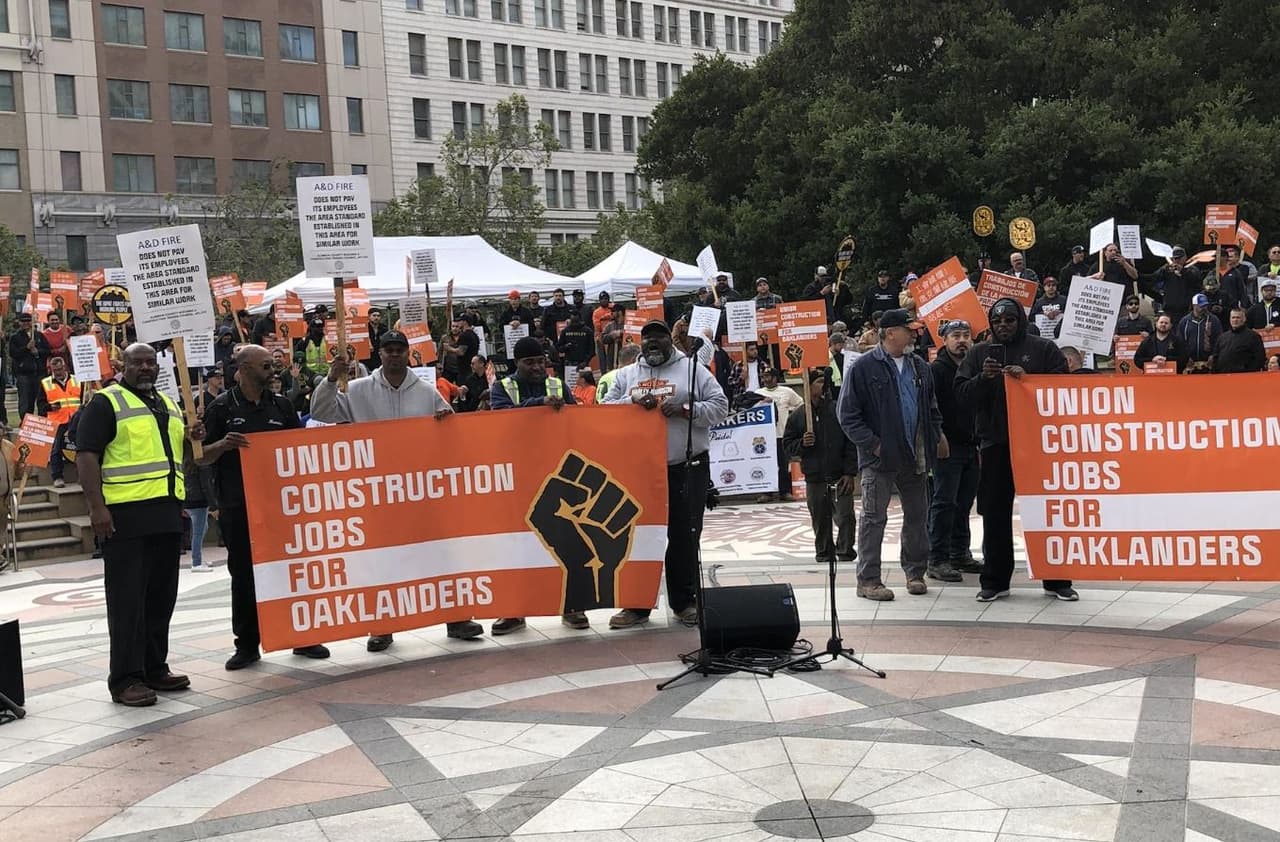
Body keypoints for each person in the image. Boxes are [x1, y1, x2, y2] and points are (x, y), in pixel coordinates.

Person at [309, 332, 482, 649]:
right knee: (381, 561)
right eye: (388, 350)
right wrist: (331, 378)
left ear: (408, 353)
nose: (393, 355)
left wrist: (446, 419)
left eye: (399, 350)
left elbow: (451, 432)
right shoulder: (358, 390)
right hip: (377, 493)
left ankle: (457, 618)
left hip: (422, 491)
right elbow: (322, 412)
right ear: (379, 353)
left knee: (440, 554)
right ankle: (382, 625)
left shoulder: (426, 392)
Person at [76, 343, 197, 706]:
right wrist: (97, 509)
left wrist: (198, 441)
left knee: (161, 599)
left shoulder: (171, 405)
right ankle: (125, 678)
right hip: (124, 519)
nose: (145, 368)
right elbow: (86, 456)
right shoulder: (106, 402)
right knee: (128, 601)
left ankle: (154, 667)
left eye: (150, 362)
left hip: (166, 513)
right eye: (137, 363)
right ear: (122, 366)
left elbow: (180, 459)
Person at [200, 345, 332, 669]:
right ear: (244, 368)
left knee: (292, 571)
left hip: (281, 506)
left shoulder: (283, 406)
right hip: (238, 506)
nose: (273, 370)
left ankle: (302, 636)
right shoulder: (220, 408)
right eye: (265, 366)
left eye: (273, 365)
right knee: (243, 575)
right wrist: (222, 444)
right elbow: (200, 456)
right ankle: (246, 645)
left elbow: (297, 452)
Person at [603, 320, 729, 628]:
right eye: (648, 339)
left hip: (687, 467)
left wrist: (686, 409)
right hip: (640, 470)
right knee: (636, 537)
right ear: (642, 344)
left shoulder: (692, 370)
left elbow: (721, 406)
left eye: (659, 337)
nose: (653, 343)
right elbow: (604, 410)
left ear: (669, 341)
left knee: (684, 537)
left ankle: (684, 602)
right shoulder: (627, 375)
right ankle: (636, 605)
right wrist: (632, 402)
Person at [955, 298, 1075, 603]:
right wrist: (985, 378)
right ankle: (995, 580)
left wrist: (1030, 379)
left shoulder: (1044, 349)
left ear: (1019, 321)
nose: (1004, 325)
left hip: (1038, 447)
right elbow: (961, 396)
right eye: (998, 321)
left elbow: (1064, 388)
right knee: (995, 514)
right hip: (995, 445)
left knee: (1047, 514)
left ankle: (1057, 580)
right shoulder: (979, 353)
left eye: (1010, 319)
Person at [839, 309, 946, 601]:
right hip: (879, 459)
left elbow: (932, 407)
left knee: (917, 515)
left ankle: (915, 572)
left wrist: (936, 435)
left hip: (915, 455)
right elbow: (847, 415)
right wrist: (873, 445)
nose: (914, 334)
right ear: (889, 333)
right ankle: (868, 580)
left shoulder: (921, 367)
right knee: (874, 518)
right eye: (907, 329)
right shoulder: (863, 367)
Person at [487, 336, 586, 634]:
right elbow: (500, 420)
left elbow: (576, 420)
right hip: (517, 475)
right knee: (516, 543)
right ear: (517, 363)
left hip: (557, 472)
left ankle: (573, 605)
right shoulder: (502, 387)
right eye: (530, 362)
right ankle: (515, 611)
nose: (537, 367)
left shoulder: (558, 385)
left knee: (567, 539)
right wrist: (537, 404)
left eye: (541, 361)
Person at [784, 369, 857, 567]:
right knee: (819, 517)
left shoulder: (838, 410)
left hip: (839, 474)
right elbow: (788, 445)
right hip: (815, 477)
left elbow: (851, 442)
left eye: (823, 382)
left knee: (845, 516)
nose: (821, 386)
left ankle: (845, 552)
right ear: (807, 387)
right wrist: (802, 444)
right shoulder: (799, 416)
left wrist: (850, 473)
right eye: (817, 382)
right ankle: (824, 553)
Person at [927, 320, 980, 580]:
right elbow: (928, 407)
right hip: (948, 445)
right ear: (945, 341)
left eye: (966, 335)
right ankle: (937, 558)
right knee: (944, 502)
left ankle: (960, 553)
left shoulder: (974, 366)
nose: (962, 340)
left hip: (973, 444)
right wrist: (938, 437)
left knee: (964, 503)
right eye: (956, 335)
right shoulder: (936, 370)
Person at [753, 367, 803, 503]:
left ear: (775, 378)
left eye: (768, 376)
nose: (766, 380)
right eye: (763, 377)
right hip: (764, 437)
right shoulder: (758, 393)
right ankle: (767, 493)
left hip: (782, 433)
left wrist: (791, 419)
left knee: (783, 464)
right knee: (766, 463)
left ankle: (785, 491)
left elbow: (800, 404)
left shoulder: (787, 392)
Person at [38, 356, 81, 488]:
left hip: (76, 419)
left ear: (65, 367)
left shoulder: (77, 380)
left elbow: (84, 398)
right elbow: (40, 405)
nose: (58, 372)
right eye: (54, 370)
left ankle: (82, 475)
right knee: (56, 450)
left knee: (81, 448)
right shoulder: (45, 383)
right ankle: (57, 477)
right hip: (57, 421)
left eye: (60, 369)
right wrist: (50, 407)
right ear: (51, 369)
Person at [1139, 245, 1200, 326]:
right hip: (1169, 311)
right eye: (1175, 258)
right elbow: (1152, 279)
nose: (1176, 261)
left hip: (1186, 311)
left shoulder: (1192, 269)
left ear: (1185, 257)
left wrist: (1182, 271)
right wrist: (1137, 276)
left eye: (1179, 258)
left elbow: (1196, 281)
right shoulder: (1167, 269)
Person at [182, 431, 217, 572]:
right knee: (198, 532)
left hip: (189, 498)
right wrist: (213, 504)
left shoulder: (185, 460)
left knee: (202, 528)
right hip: (199, 501)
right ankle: (196, 562)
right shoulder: (201, 463)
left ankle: (198, 559)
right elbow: (206, 485)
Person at [10, 312, 51, 419]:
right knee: (25, 400)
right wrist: (26, 348)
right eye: (23, 321)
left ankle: (42, 420)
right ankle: (25, 421)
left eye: (28, 321)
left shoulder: (39, 335)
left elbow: (48, 351)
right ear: (19, 322)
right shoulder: (15, 337)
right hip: (24, 374)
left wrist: (37, 352)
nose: (26, 323)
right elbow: (13, 353)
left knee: (41, 399)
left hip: (39, 372)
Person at [1213, 308, 1266, 373]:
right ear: (1230, 319)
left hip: (1245, 377)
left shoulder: (1253, 336)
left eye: (1238, 318)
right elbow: (1215, 357)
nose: (1235, 320)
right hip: (1223, 377)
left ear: (1244, 319)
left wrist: (1249, 373)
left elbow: (1259, 358)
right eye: (1233, 317)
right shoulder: (1222, 337)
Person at [1178, 293, 1223, 369]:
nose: (1204, 308)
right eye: (1201, 306)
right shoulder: (1184, 321)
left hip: (1209, 363)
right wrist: (1185, 357)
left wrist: (1214, 355)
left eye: (1205, 305)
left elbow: (1220, 339)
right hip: (1190, 363)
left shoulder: (1214, 320)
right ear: (1194, 306)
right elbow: (1180, 342)